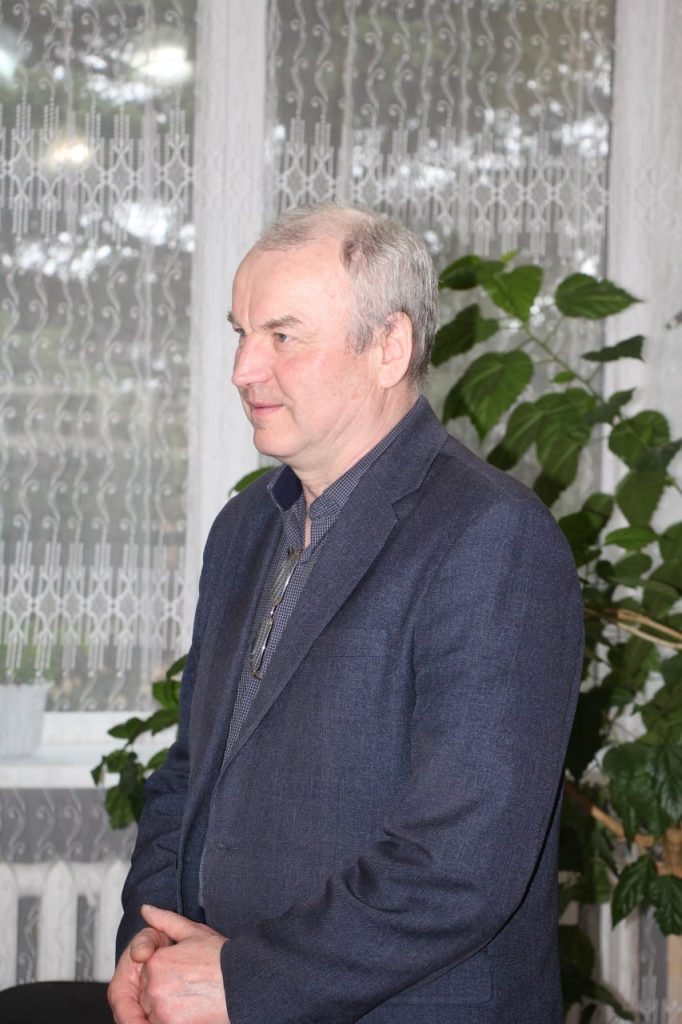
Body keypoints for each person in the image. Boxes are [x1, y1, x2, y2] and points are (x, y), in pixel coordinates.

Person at [109, 203, 583, 1024]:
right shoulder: (243, 528)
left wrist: (242, 981)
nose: (244, 369)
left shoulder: (493, 537)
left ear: (389, 346)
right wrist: (149, 944)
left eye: (283, 336)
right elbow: (189, 774)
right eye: (242, 333)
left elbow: (458, 865)